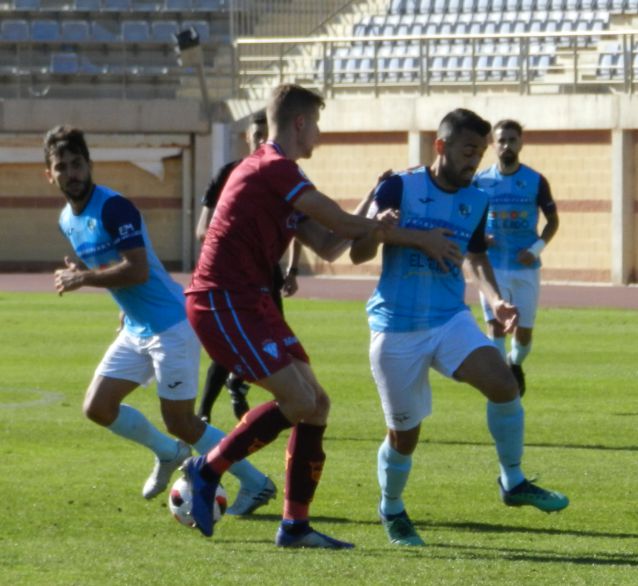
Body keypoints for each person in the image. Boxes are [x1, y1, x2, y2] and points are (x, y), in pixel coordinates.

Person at [182, 84, 461, 548]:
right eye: (316, 122)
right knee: (297, 401)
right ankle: (206, 468)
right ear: (299, 123)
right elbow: (342, 226)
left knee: (317, 405)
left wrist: (374, 202)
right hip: (221, 300)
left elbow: (332, 245)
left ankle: (295, 526)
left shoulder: (280, 179)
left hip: (253, 303)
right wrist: (418, 237)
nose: (319, 132)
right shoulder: (273, 167)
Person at [350, 108, 570, 548]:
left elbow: (476, 256)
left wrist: (495, 299)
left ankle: (513, 480)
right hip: (397, 327)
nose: (475, 161)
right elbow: (357, 252)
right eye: (468, 151)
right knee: (404, 436)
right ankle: (391, 507)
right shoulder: (399, 186)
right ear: (441, 147)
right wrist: (385, 233)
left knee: (505, 385)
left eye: (480, 152)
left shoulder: (477, 199)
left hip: (450, 319)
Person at [46, 125, 275, 517]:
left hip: (172, 324)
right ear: (49, 175)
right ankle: (169, 454)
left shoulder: (114, 207)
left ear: (90, 164)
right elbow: (116, 266)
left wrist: (83, 277)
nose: (72, 173)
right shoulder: (67, 219)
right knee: (98, 407)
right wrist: (95, 278)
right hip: (138, 327)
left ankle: (256, 484)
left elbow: (136, 270)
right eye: (62, 167)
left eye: (77, 163)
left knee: (182, 420)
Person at [194, 111, 303, 423]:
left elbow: (298, 226)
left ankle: (245, 387)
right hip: (231, 279)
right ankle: (204, 412)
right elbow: (203, 230)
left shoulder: (285, 176)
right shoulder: (228, 174)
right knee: (229, 346)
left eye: (265, 134)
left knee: (278, 346)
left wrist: (293, 270)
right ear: (247, 138)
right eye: (256, 135)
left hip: (267, 277)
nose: (260, 140)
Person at [471, 119, 559, 397]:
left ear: (521, 143)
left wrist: (534, 250)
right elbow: (466, 217)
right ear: (492, 144)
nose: (507, 145)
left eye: (512, 139)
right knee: (495, 324)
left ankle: (514, 362)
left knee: (523, 333)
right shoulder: (480, 181)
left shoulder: (535, 180)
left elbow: (553, 222)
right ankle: (501, 377)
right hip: (492, 267)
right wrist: (479, 238)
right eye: (502, 140)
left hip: (525, 268)